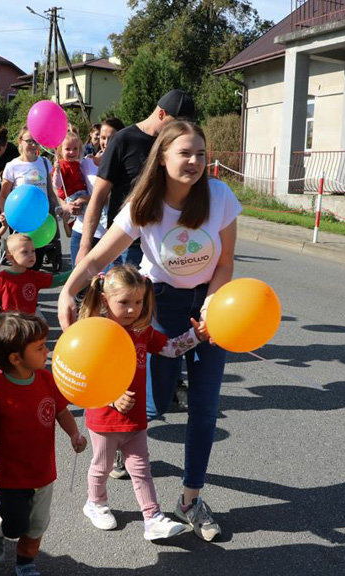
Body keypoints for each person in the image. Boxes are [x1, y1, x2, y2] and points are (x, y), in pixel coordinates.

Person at [58, 121, 240, 541]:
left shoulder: (220, 197)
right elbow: (99, 255)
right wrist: (70, 288)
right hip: (156, 304)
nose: (195, 161)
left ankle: (190, 499)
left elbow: (226, 262)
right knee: (152, 404)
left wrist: (212, 306)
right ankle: (117, 454)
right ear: (162, 157)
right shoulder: (145, 204)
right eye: (185, 153)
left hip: (211, 306)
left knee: (205, 407)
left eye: (200, 153)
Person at [79, 265, 207, 540]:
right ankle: (95, 503)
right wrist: (112, 398)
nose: (132, 309)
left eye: (138, 302)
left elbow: (170, 348)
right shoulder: (96, 332)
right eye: (123, 302)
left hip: (135, 418)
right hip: (104, 418)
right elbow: (86, 375)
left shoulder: (142, 331)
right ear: (105, 300)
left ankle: (152, 517)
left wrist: (196, 336)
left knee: (141, 469)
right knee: (101, 466)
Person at [0, 312, 87, 575]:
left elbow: (61, 411)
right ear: (16, 359)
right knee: (15, 526)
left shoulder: (46, 380)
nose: (47, 351)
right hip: (10, 476)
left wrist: (74, 434)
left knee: (37, 524)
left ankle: (26, 562)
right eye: (40, 348)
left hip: (43, 472)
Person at [76, 90, 195, 266]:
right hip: (126, 245)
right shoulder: (123, 140)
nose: (181, 130)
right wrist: (85, 246)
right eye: (177, 123)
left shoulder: (175, 145)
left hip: (164, 243)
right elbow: (99, 196)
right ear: (161, 113)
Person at [0, 124, 63, 271]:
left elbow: (50, 192)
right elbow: (3, 196)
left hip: (41, 221)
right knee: (21, 263)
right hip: (20, 221)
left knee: (35, 264)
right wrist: (4, 214)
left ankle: (31, 292)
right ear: (20, 141)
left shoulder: (45, 163)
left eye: (36, 141)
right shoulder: (12, 166)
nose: (33, 145)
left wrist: (59, 207)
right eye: (29, 141)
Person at [72, 118, 124, 266]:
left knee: (109, 287)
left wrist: (85, 199)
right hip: (82, 232)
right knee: (80, 286)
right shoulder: (86, 163)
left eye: (112, 138)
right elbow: (67, 190)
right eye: (103, 137)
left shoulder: (126, 167)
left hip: (112, 236)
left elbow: (113, 198)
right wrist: (69, 205)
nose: (107, 142)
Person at [0, 234, 70, 319]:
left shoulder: (35, 276)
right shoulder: (0, 278)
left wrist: (79, 269)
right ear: (10, 257)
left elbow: (57, 280)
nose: (31, 255)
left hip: (29, 324)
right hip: (8, 325)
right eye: (25, 252)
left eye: (33, 251)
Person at [52, 130, 88, 238]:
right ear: (60, 150)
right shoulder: (62, 165)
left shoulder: (77, 164)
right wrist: (57, 172)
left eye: (75, 149)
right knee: (90, 213)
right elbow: (57, 185)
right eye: (67, 149)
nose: (72, 152)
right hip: (71, 196)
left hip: (81, 193)